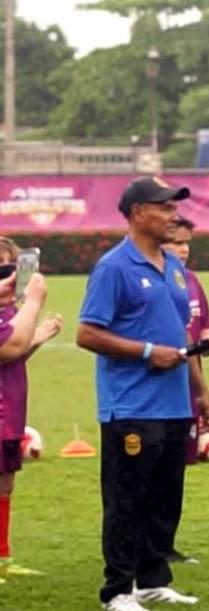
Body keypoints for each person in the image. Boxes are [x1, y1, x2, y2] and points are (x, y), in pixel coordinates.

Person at [77, 177, 209, 610]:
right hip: (131, 406)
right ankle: (117, 590)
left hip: (176, 404)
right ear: (139, 212)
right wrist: (144, 353)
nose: (174, 215)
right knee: (126, 501)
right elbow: (87, 333)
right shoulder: (113, 268)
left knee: (164, 498)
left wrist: (202, 392)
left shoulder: (175, 268)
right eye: (165, 207)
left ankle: (152, 579)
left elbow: (178, 335)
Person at [161, 216, 209, 565]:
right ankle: (149, 547)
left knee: (175, 470)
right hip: (163, 391)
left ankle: (165, 547)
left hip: (187, 390)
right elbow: (179, 340)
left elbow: (198, 337)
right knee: (155, 471)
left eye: (187, 243)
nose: (183, 249)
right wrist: (204, 392)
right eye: (176, 242)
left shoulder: (193, 282)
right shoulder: (161, 281)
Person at [0, 237, 62, 580]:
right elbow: (10, 348)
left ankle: (3, 557)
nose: (11, 279)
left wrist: (36, 338)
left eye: (13, 269)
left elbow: (15, 353)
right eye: (3, 271)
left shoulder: (8, 313)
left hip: (10, 412)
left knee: (5, 484)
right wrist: (34, 302)